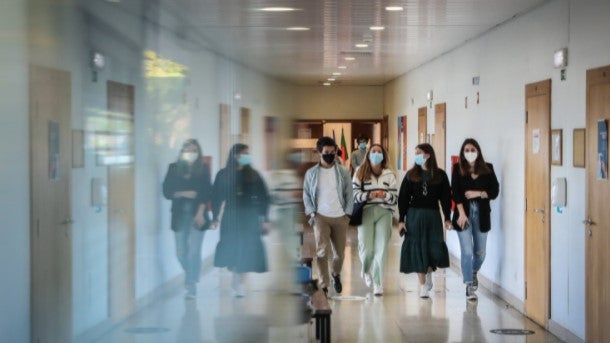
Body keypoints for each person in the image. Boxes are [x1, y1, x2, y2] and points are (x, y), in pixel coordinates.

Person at [211, 143, 271, 297]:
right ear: (233, 155)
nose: (245, 157)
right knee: (231, 248)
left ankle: (241, 282)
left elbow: (264, 197)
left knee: (247, 250)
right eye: (242, 154)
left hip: (250, 217)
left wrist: (265, 218)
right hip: (231, 216)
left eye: (247, 154)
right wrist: (215, 217)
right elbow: (216, 197)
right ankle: (235, 272)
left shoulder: (254, 175)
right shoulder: (223, 174)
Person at [398, 143, 452, 298]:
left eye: (419, 152)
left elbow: (446, 198)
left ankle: (429, 271)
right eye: (415, 153)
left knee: (433, 248)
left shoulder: (440, 175)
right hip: (414, 216)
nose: (416, 155)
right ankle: (422, 286)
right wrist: (401, 220)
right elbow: (403, 198)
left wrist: (447, 218)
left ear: (428, 154)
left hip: (433, 216)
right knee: (417, 249)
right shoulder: (411, 175)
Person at [303, 136, 353, 296]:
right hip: (320, 217)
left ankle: (335, 274)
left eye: (333, 152)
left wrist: (347, 214)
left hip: (340, 217)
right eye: (326, 152)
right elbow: (306, 195)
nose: (330, 155)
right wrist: (312, 213)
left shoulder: (343, 172)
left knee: (339, 254)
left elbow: (349, 194)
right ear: (319, 153)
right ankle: (324, 285)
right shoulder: (311, 173)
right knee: (322, 252)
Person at [162, 139, 212, 299]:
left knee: (193, 253)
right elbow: (167, 191)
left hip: (198, 214)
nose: (191, 153)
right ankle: (192, 275)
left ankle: (190, 285)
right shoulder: (174, 168)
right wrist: (185, 193)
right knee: (181, 252)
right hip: (179, 215)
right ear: (182, 151)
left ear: (198, 152)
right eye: (188, 150)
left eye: (194, 150)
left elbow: (206, 192)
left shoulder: (203, 168)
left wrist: (200, 212)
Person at [450, 138, 499, 300]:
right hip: (463, 212)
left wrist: (478, 194)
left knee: (480, 253)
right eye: (466, 150)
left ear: (478, 151)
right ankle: (469, 284)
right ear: (462, 153)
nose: (469, 152)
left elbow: (494, 191)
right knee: (467, 251)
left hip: (482, 213)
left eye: (472, 149)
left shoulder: (488, 168)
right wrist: (462, 213)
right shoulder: (457, 168)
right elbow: (455, 192)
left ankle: (473, 271)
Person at [352, 144, 398, 296]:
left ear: (383, 155)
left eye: (379, 152)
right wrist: (368, 196)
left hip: (384, 212)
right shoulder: (360, 171)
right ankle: (366, 271)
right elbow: (355, 194)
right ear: (368, 154)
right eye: (373, 152)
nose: (376, 154)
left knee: (381, 248)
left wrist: (386, 196)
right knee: (366, 248)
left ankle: (378, 283)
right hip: (366, 211)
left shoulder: (389, 174)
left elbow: (394, 198)